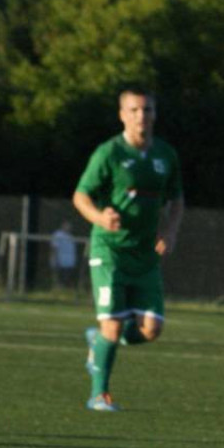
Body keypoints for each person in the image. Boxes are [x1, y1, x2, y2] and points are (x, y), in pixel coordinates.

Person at [72, 86, 184, 412]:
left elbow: (177, 199)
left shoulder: (165, 155)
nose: (141, 116)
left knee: (151, 329)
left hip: (145, 255)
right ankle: (98, 394)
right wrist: (100, 217)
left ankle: (99, 341)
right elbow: (81, 196)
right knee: (114, 324)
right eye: (134, 110)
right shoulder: (109, 153)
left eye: (147, 110)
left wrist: (170, 230)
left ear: (155, 114)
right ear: (122, 115)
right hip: (110, 252)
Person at [49, 220, 79, 289]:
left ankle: (64, 289)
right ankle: (57, 289)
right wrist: (55, 259)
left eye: (69, 226)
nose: (68, 227)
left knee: (67, 277)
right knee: (59, 278)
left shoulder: (71, 236)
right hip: (60, 261)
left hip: (69, 262)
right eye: (66, 225)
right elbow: (54, 247)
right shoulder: (58, 235)